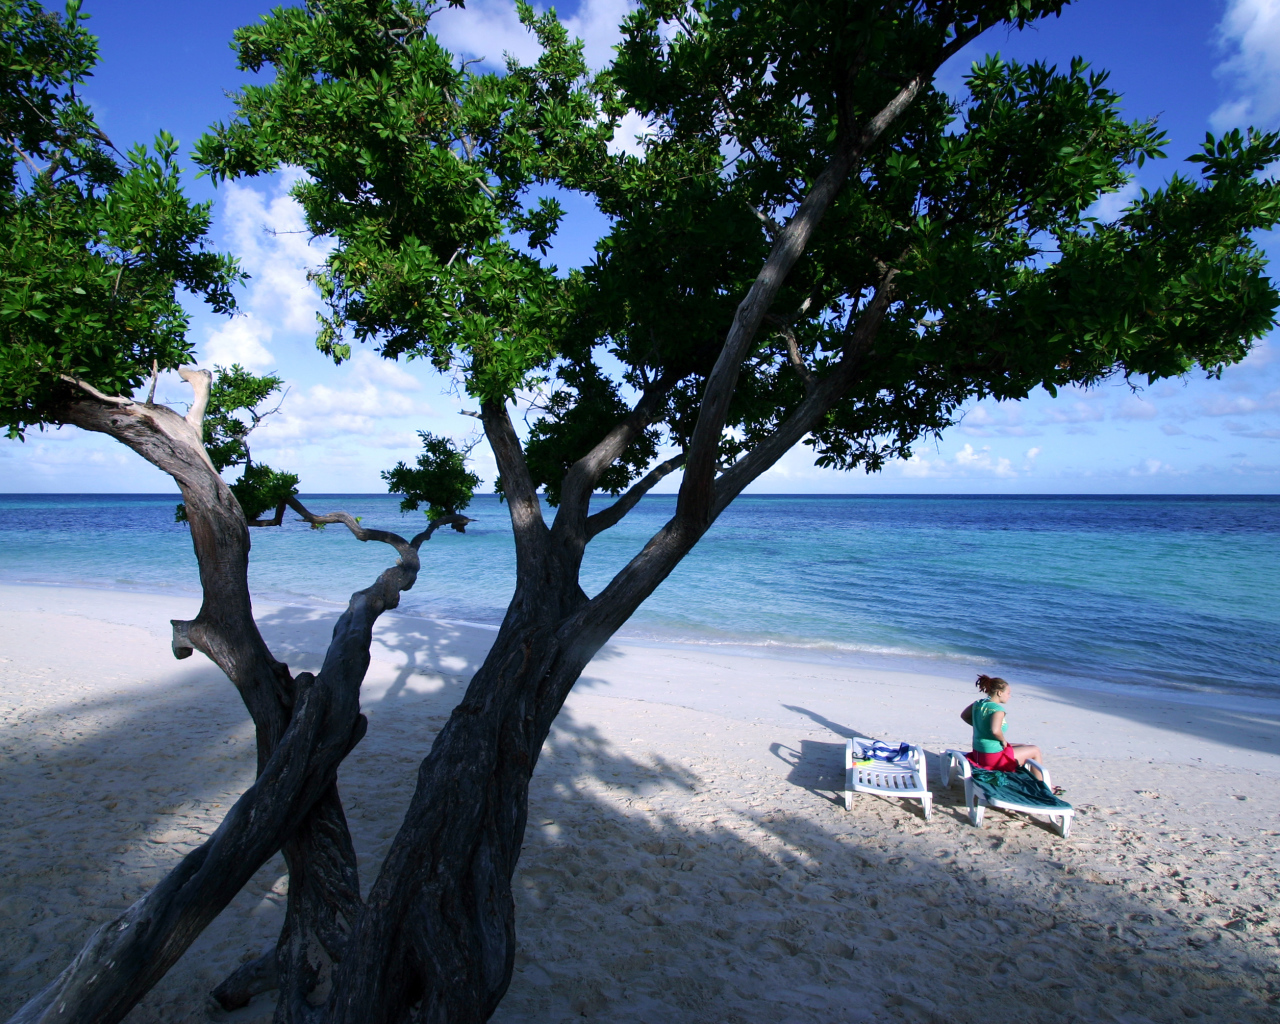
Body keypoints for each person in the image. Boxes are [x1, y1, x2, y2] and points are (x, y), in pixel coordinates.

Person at [960, 674, 1043, 775]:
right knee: (1035, 750)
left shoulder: (978, 703)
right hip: (992, 758)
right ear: (999, 693)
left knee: (1023, 746)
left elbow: (964, 716)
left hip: (979, 753)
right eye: (1008, 693)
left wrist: (982, 727)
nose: (1009, 696)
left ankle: (1037, 779)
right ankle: (1044, 785)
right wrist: (1002, 740)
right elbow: (995, 731)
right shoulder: (997, 710)